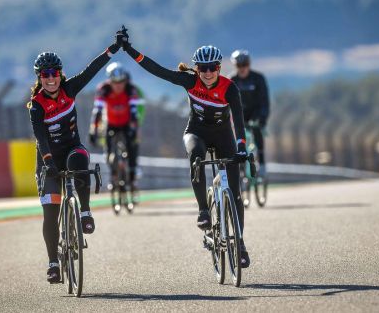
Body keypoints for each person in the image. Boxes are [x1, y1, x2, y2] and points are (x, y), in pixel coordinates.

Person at [120, 31, 251, 268]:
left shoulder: (229, 88)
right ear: (197, 69)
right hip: (197, 132)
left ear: (219, 68)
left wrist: (241, 147)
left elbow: (239, 122)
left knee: (236, 192)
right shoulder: (189, 81)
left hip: (224, 136)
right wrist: (129, 50)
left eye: (212, 68)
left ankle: (240, 243)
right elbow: (157, 70)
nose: (208, 73)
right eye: (203, 68)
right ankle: (203, 210)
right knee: (196, 158)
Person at [27, 31, 125, 283]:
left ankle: (85, 213)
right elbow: (40, 135)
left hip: (72, 149)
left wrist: (113, 48)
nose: (51, 79)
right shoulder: (37, 105)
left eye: (54, 73)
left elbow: (92, 69)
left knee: (79, 159)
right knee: (51, 211)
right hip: (48, 159)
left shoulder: (69, 89)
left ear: (60, 74)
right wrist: (48, 162)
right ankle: (52, 262)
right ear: (39, 77)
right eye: (45, 75)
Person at [89, 62, 143, 198]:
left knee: (132, 145)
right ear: (109, 81)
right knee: (108, 152)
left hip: (126, 123)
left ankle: (131, 173)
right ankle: (114, 176)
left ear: (126, 80)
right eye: (115, 82)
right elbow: (97, 111)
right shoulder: (104, 89)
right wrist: (93, 130)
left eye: (121, 82)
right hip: (110, 124)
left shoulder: (131, 89)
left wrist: (134, 129)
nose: (118, 85)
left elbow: (134, 113)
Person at [229, 50, 270, 176]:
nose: (242, 68)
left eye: (245, 65)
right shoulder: (232, 80)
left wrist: (262, 118)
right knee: (238, 139)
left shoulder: (258, 78)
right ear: (235, 66)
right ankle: (241, 170)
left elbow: (264, 101)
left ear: (249, 64)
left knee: (256, 130)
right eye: (239, 66)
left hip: (256, 112)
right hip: (239, 114)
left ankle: (262, 163)